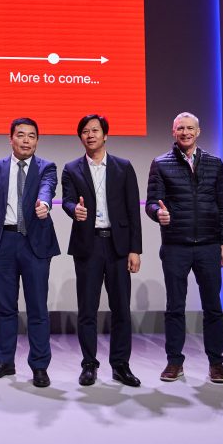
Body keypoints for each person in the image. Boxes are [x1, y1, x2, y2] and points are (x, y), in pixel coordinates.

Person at [146, 112, 223, 384]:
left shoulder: (215, 164)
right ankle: (174, 362)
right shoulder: (160, 163)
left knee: (213, 309)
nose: (185, 132)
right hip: (175, 246)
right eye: (180, 128)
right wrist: (156, 214)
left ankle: (216, 364)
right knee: (175, 307)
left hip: (208, 245)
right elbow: (151, 202)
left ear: (199, 131)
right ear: (173, 132)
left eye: (190, 128)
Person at [61, 114, 142, 387]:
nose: (90, 135)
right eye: (85, 131)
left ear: (105, 135)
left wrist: (135, 249)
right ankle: (89, 365)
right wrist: (75, 211)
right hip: (88, 245)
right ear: (81, 137)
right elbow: (68, 201)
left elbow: (133, 211)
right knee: (87, 309)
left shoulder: (123, 166)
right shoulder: (71, 168)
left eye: (95, 130)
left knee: (121, 308)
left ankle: (121, 365)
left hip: (118, 246)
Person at [0, 117, 60, 388]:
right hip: (3, 243)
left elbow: (47, 188)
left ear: (37, 140)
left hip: (34, 243)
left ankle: (39, 366)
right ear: (10, 138)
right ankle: (5, 361)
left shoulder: (47, 167)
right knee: (5, 308)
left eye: (32, 136)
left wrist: (45, 204)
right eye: (21, 135)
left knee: (38, 308)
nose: (26, 140)